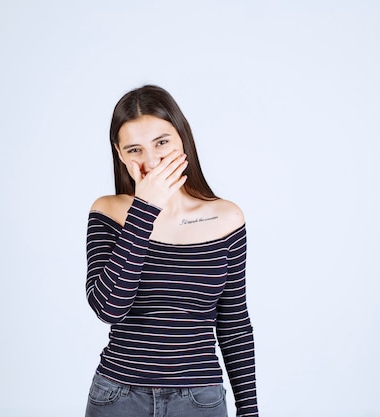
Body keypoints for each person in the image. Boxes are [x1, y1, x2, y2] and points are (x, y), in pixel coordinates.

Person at [84, 85, 258, 417]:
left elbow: (234, 323)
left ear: (183, 139)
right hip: (118, 397)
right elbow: (108, 308)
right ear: (120, 155)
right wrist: (145, 208)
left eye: (161, 142)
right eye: (135, 149)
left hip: (199, 400)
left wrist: (249, 412)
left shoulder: (227, 217)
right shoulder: (108, 211)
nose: (151, 160)